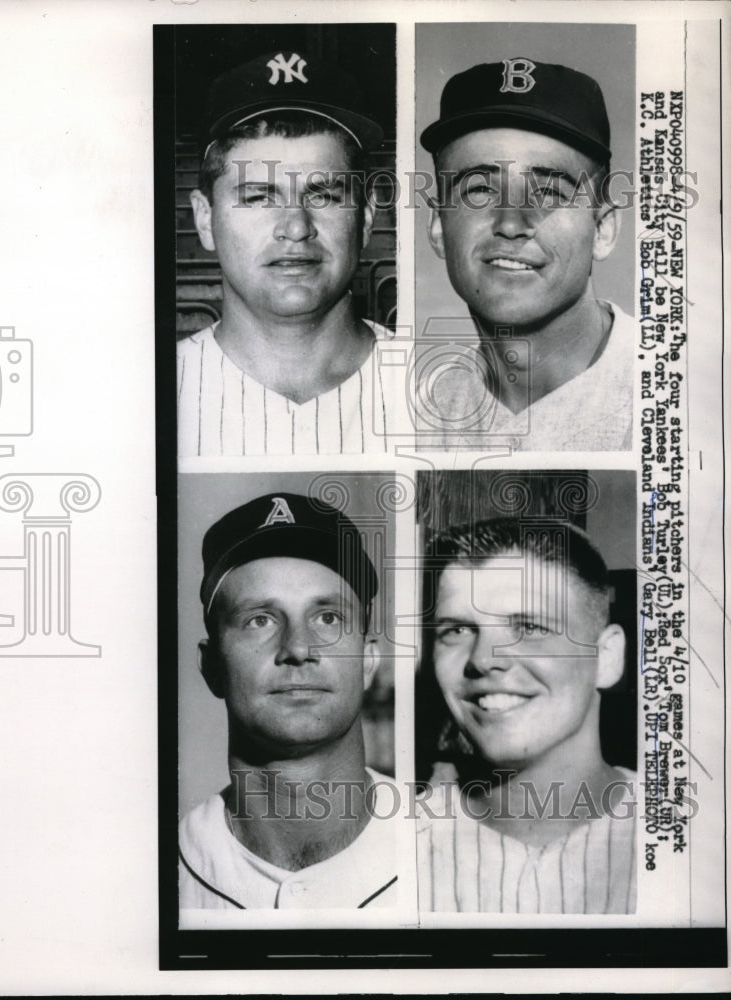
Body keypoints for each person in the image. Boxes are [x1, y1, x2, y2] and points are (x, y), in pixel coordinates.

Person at [179, 491, 399, 910]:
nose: (298, 647)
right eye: (259, 619)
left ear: (369, 658)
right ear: (212, 666)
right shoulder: (155, 879)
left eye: (328, 618)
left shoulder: (453, 858)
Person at [177, 51, 394, 456]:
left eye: (324, 195)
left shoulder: (446, 389)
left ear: (365, 217)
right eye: (259, 197)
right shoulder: (153, 393)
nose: (295, 227)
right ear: (205, 220)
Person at [417, 517, 636, 913]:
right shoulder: (398, 843)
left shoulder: (691, 839)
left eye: (528, 626)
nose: (484, 660)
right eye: (458, 630)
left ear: (606, 658)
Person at [419, 60, 634, 451]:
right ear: (438, 226)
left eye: (549, 192)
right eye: (480, 189)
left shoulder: (676, 390)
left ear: (602, 230)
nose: (512, 224)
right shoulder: (422, 410)